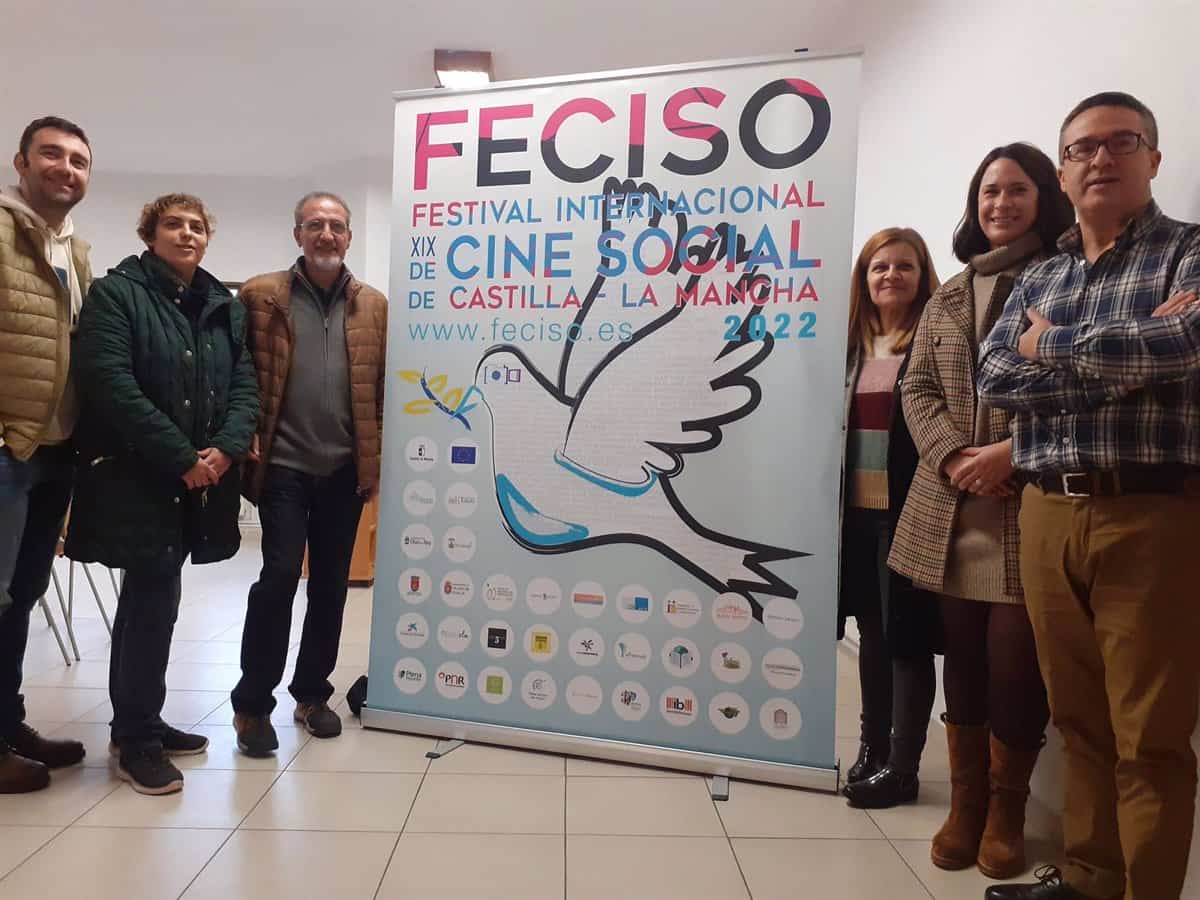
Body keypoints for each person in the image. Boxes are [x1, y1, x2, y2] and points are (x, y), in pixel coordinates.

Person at [977, 93, 1200, 900]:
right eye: (1083, 148)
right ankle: (1090, 880)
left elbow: (1186, 340)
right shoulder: (1042, 272)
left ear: (1153, 158)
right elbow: (995, 376)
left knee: (1150, 737)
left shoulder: (1188, 253)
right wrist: (1123, 365)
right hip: (1045, 511)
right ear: (1065, 172)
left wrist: (1051, 345)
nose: (1102, 158)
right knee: (1077, 720)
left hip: (1151, 514)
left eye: (1123, 142)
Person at [890, 143, 1074, 878]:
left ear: (1043, 198)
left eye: (1017, 189)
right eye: (990, 191)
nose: (1001, 203)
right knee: (962, 659)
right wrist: (954, 457)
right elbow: (917, 389)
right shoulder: (950, 293)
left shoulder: (1067, 276)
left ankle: (1006, 812)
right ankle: (965, 806)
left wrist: (1008, 456)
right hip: (953, 507)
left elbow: (1078, 388)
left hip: (1028, 505)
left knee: (1016, 668)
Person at [65, 194, 259, 794]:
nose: (187, 234)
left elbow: (245, 384)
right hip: (139, 476)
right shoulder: (116, 294)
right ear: (150, 235)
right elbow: (110, 382)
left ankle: (140, 722)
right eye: (173, 224)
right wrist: (181, 458)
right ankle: (136, 743)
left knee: (154, 600)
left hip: (199, 477)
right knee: (151, 602)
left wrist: (226, 449)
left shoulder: (222, 304)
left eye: (197, 226)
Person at [231, 192, 387, 756]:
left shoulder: (374, 306)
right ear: (297, 233)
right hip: (283, 467)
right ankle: (252, 705)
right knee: (277, 577)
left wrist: (376, 457)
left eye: (336, 226)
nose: (326, 235)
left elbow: (383, 389)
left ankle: (312, 693)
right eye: (315, 224)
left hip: (344, 470)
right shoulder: (260, 295)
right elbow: (236, 371)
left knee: (330, 586)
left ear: (349, 237)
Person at [0, 116, 93, 793]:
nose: (66, 168)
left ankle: (8, 725)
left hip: (55, 450)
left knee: (21, 597)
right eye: (52, 155)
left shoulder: (74, 251)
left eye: (79, 160)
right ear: (21, 163)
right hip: (8, 447)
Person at [838, 227, 941, 809]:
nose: (891, 276)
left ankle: (903, 768)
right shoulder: (849, 344)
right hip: (852, 514)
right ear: (865, 277)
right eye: (879, 267)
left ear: (922, 276)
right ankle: (871, 749)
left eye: (904, 266)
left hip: (907, 512)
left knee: (907, 640)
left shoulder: (931, 340)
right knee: (872, 637)